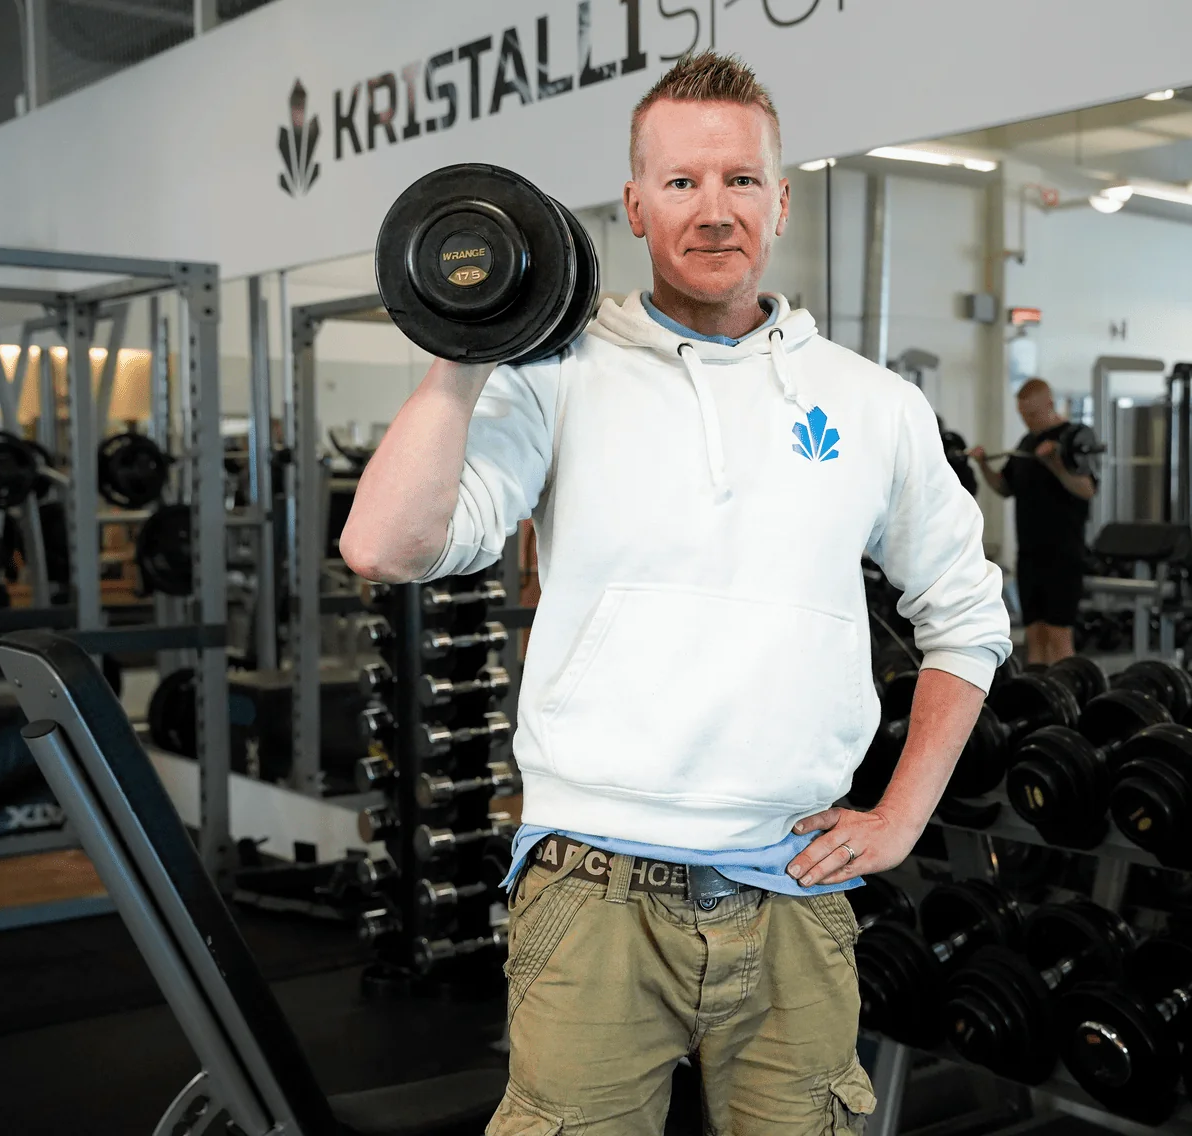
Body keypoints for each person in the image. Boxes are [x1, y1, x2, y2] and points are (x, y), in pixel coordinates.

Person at [340, 52, 1011, 1135]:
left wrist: (901, 816)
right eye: (683, 182)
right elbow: (384, 545)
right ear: (636, 205)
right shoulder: (554, 374)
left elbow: (967, 617)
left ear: (780, 202)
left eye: (741, 180)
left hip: (795, 888)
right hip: (591, 889)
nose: (714, 210)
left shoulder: (873, 404)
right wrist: (466, 338)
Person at [971, 378, 1096, 666]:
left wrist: (1054, 463)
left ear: (1050, 404)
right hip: (1029, 554)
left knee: (1058, 635)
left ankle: (1064, 691)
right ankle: (1037, 691)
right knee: (1034, 634)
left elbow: (1087, 489)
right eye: (1023, 415)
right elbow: (1004, 488)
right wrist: (983, 465)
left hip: (1063, 554)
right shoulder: (1027, 442)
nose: (1028, 421)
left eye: (1033, 414)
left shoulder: (1074, 438)